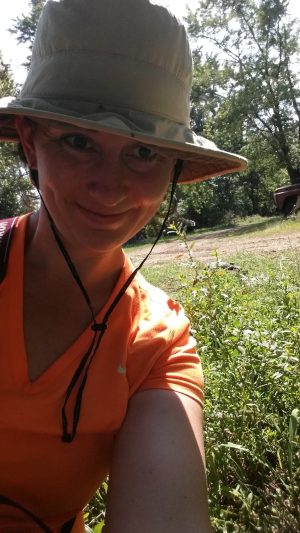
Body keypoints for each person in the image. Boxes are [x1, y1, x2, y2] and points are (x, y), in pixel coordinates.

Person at [0, 0, 246, 531]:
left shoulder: (159, 342)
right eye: (78, 141)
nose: (110, 187)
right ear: (29, 141)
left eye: (143, 154)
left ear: (174, 167)